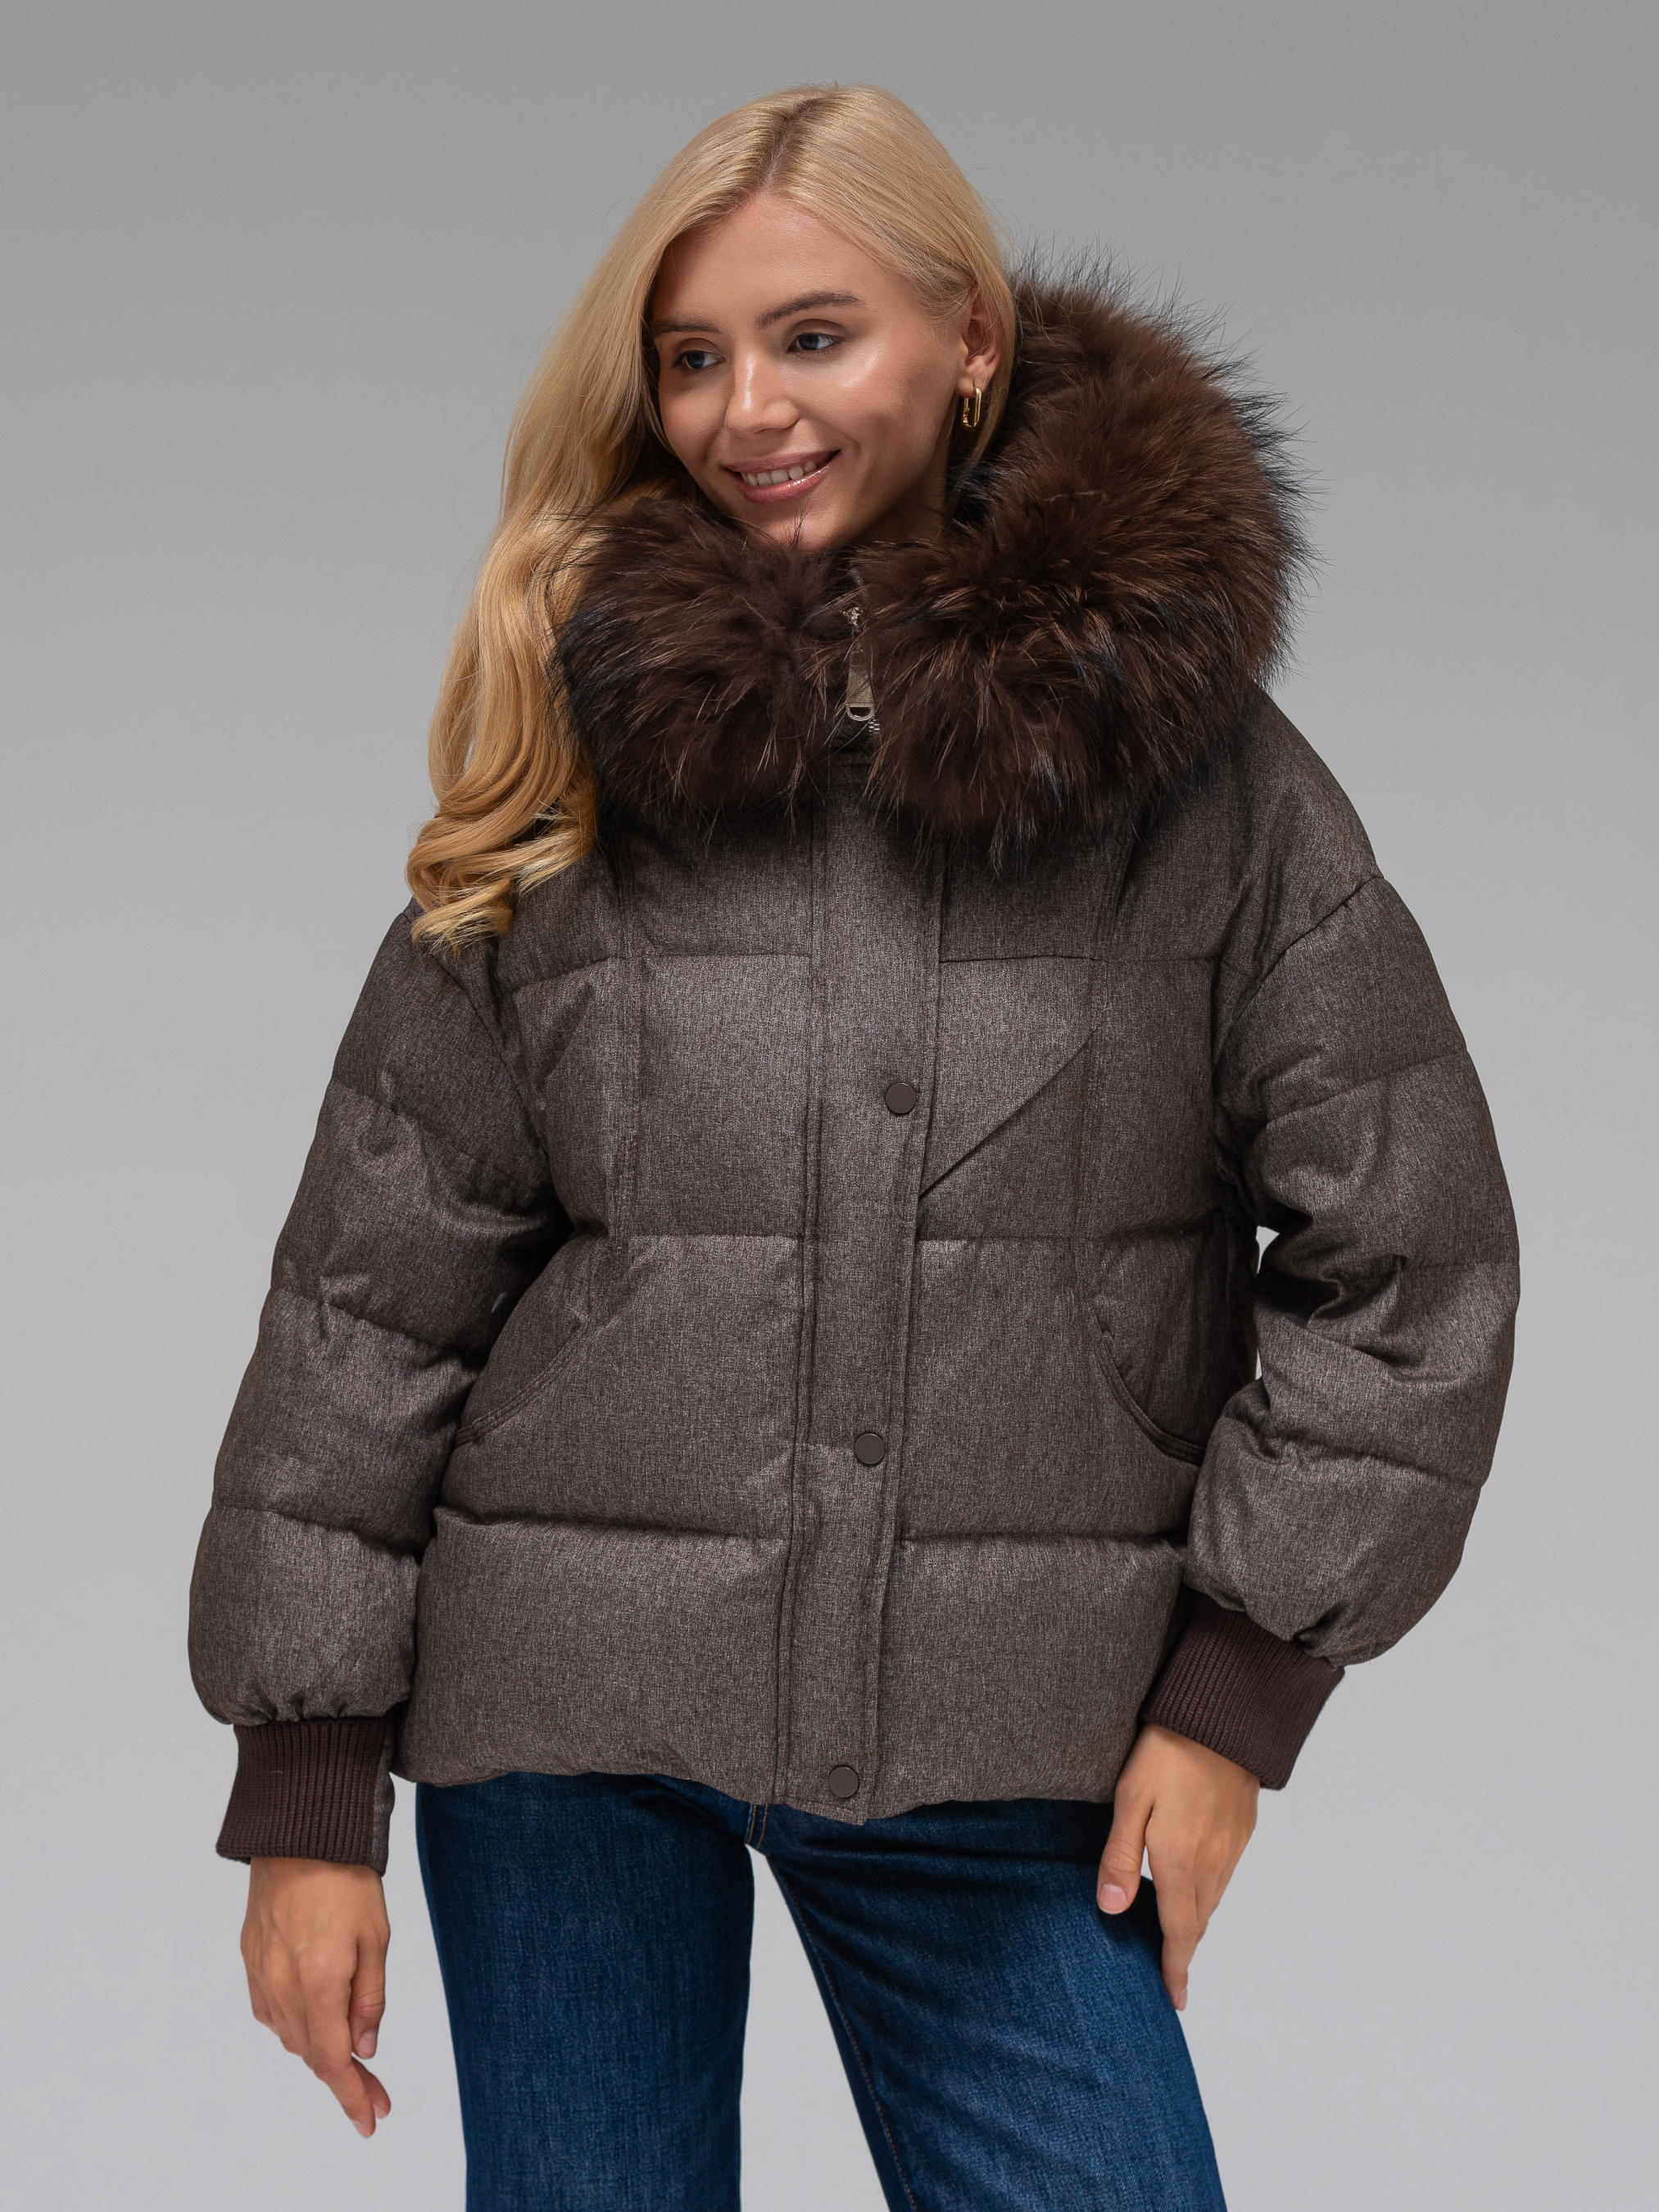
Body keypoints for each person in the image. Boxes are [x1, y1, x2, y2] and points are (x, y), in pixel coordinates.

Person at [188, 82, 1518, 2212]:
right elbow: (376, 1291)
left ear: (970, 338)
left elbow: (1411, 1257)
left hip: (1009, 1734)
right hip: (565, 1727)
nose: (747, 410)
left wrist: (1235, 1692)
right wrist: (307, 1783)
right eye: (693, 356)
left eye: (813, 336)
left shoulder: (1205, 790)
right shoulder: (581, 754)